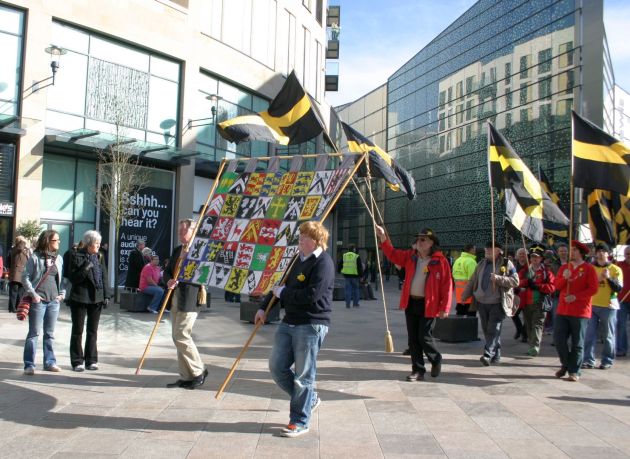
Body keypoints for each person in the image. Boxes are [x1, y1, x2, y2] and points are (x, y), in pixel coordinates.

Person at [254, 221, 334, 438]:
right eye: (300, 235)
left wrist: (284, 294)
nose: (300, 239)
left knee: (303, 376)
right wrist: (263, 308)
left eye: (305, 236)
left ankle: (299, 421)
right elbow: (279, 286)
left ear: (316, 241)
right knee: (277, 367)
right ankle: (310, 399)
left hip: (311, 323)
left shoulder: (323, 263)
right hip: (289, 321)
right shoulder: (295, 259)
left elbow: (312, 295)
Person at [375, 225, 452, 381]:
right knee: (413, 339)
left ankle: (436, 358)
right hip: (411, 303)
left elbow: (447, 285)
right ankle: (418, 370)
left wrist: (445, 307)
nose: (419, 242)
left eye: (423, 239)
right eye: (418, 239)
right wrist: (383, 237)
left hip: (429, 304)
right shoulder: (411, 256)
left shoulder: (440, 261)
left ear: (431, 243)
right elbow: (393, 254)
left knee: (424, 336)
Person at [163, 219, 207, 390]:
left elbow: (202, 273)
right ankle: (186, 375)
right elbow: (167, 271)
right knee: (176, 336)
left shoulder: (199, 250)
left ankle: (198, 371)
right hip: (175, 296)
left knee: (181, 334)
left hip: (190, 297)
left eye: (184, 231)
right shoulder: (176, 250)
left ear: (193, 232)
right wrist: (168, 281)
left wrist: (186, 261)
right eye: (179, 231)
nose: (180, 234)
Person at [462, 241, 519, 366]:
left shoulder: (506, 263)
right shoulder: (481, 263)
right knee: (487, 330)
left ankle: (487, 354)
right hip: (482, 302)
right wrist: (465, 294)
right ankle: (496, 355)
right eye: (486, 248)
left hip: (497, 302)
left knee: (493, 328)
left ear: (499, 251)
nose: (487, 250)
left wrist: (498, 278)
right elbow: (472, 280)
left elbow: (515, 281)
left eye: (490, 248)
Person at [553, 240, 599, 381]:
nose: (570, 252)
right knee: (559, 340)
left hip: (580, 311)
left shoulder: (589, 269)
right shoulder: (564, 268)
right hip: (563, 309)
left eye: (574, 250)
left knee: (577, 343)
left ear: (581, 253)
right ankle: (566, 364)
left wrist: (576, 297)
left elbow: (593, 288)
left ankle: (574, 371)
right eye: (571, 249)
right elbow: (557, 286)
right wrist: (564, 278)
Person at [21, 230, 65, 374]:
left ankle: (50, 362)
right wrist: (33, 295)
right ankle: (29, 364)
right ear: (47, 241)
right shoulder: (35, 257)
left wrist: (62, 294)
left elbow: (62, 278)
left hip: (53, 301)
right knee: (34, 333)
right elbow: (25, 277)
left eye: (58, 240)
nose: (58, 242)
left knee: (50, 333)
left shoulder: (58, 258)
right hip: (39, 301)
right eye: (55, 240)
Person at [67, 230, 111, 372]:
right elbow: (74, 278)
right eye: (96, 243)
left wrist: (106, 295)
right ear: (88, 244)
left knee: (93, 331)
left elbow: (103, 275)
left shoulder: (100, 256)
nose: (98, 246)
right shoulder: (76, 255)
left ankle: (91, 360)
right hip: (80, 297)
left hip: (96, 298)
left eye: (99, 243)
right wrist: (86, 267)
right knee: (77, 330)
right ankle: (77, 361)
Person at [582, 243, 623, 370]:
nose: (600, 253)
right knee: (589, 334)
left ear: (608, 254)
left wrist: (609, 278)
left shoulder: (615, 269)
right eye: (598, 251)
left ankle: (607, 360)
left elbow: (618, 288)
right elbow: (585, 285)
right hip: (591, 305)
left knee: (608, 335)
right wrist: (599, 279)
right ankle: (588, 360)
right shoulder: (589, 268)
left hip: (609, 306)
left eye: (603, 251)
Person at [517, 244, 555, 356]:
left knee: (537, 325)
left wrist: (539, 287)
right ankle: (531, 344)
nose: (534, 259)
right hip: (526, 303)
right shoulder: (525, 271)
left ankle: (534, 347)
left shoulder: (546, 272)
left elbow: (552, 287)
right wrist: (526, 282)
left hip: (540, 303)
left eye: (537, 257)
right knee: (528, 326)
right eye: (532, 256)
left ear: (541, 258)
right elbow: (517, 282)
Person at [452, 244, 477, 316]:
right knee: (470, 318)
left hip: (459, 295)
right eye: (474, 249)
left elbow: (454, 275)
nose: (475, 251)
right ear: (471, 249)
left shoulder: (458, 260)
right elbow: (473, 280)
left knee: (459, 315)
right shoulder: (471, 261)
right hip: (469, 296)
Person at [8, 236, 29, 313]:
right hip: (16, 274)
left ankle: (17, 307)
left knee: (20, 293)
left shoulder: (24, 250)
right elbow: (20, 247)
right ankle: (12, 308)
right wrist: (23, 241)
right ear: (20, 242)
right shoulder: (16, 248)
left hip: (22, 273)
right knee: (14, 292)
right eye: (23, 241)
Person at [511, 247, 529, 342]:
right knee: (513, 314)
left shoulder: (530, 266)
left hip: (527, 293)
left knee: (526, 315)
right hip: (516, 293)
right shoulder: (514, 266)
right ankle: (519, 329)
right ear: (517, 256)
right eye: (520, 254)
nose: (522, 255)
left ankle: (524, 334)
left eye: (524, 254)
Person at [616, 247, 630, 357]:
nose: (628, 255)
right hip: (622, 300)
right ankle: (621, 348)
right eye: (627, 253)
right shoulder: (619, 265)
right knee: (621, 324)